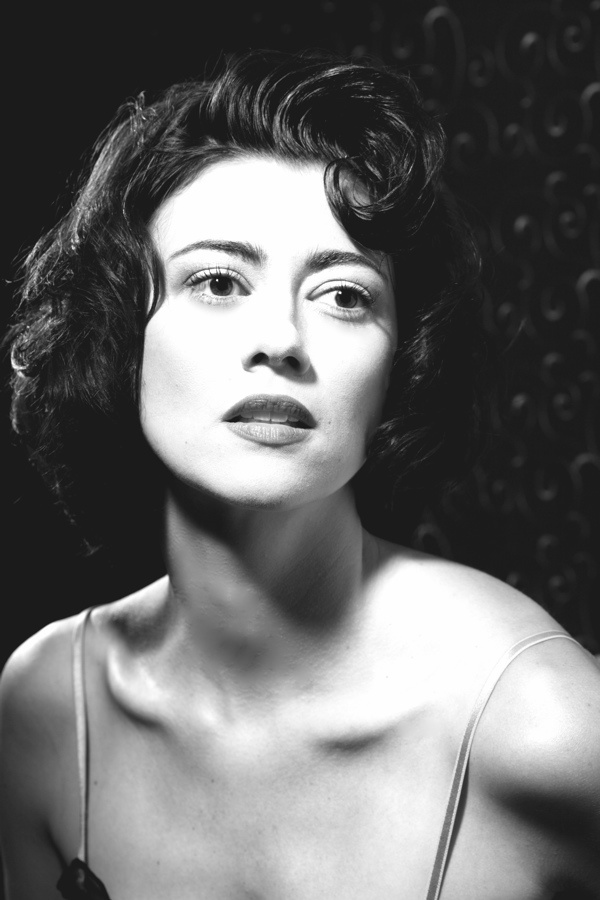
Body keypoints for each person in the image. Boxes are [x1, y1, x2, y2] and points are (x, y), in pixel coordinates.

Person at [0, 49, 599, 900]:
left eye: (345, 295)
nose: (281, 339)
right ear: (120, 336)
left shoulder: (541, 721)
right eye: (218, 281)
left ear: (400, 365)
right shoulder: (46, 706)